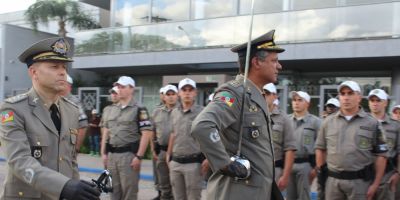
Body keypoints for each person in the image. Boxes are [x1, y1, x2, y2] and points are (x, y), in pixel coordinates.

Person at [0, 37, 100, 200]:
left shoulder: (71, 110)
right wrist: (64, 186)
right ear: (34, 72)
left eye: (64, 67)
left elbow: (70, 160)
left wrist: (76, 189)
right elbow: (19, 161)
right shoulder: (14, 109)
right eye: (54, 66)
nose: (62, 72)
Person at [191, 30, 285, 200]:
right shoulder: (235, 93)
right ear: (256, 62)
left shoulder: (256, 95)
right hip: (236, 193)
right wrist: (225, 164)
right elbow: (203, 126)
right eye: (274, 61)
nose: (279, 66)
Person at [315, 81, 388, 200]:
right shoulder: (328, 122)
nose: (346, 97)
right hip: (333, 182)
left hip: (360, 184)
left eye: (350, 93)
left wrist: (375, 184)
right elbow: (320, 149)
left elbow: (381, 156)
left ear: (359, 97)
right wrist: (322, 176)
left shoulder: (372, 123)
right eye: (343, 94)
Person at [101, 76, 153, 200]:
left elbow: (146, 133)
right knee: (113, 190)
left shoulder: (139, 109)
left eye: (123, 87)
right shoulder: (112, 109)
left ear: (131, 89)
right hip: (112, 156)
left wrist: (139, 156)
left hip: (128, 156)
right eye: (118, 86)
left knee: (129, 192)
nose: (119, 89)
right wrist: (103, 153)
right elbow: (106, 133)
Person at [166, 78, 206, 200]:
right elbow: (173, 134)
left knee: (193, 197)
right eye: (184, 90)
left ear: (195, 93)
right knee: (178, 197)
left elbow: (209, 137)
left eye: (190, 90)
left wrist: (208, 158)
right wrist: (168, 155)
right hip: (176, 163)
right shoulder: (174, 112)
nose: (187, 93)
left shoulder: (203, 112)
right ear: (179, 93)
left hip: (193, 164)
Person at [287, 91, 321, 200]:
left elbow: (320, 146)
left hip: (306, 164)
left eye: (300, 100)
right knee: (289, 196)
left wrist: (315, 169)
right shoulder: (286, 120)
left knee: (304, 197)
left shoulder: (315, 122)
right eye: (294, 100)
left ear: (307, 103)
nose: (296, 103)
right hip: (288, 164)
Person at [367, 89, 400, 200]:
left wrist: (398, 174)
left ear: (385, 103)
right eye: (372, 100)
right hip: (364, 176)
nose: (375, 103)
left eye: (378, 100)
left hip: (387, 177)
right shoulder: (361, 122)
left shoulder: (395, 126)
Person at [263, 83, 296, 192]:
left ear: (275, 96)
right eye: (262, 93)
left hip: (275, 170)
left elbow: (290, 149)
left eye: (267, 93)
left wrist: (285, 176)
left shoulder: (284, 119)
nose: (264, 96)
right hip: (256, 169)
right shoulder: (252, 115)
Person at [152, 84, 179, 200]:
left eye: (173, 94)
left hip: (178, 153)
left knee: (177, 185)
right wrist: (153, 149)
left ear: (177, 95)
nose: (171, 97)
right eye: (168, 94)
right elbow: (152, 131)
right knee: (164, 184)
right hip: (162, 152)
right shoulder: (157, 112)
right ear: (164, 97)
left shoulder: (183, 111)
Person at [59, 74, 89, 152]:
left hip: (68, 147)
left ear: (69, 86)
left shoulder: (75, 102)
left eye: (62, 83)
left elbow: (82, 126)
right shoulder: (54, 99)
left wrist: (76, 148)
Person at [99, 86, 120, 167]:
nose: (114, 95)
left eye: (116, 93)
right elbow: (103, 127)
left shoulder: (124, 109)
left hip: (119, 147)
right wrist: (103, 148)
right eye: (112, 93)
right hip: (107, 145)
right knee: (107, 171)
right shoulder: (106, 109)